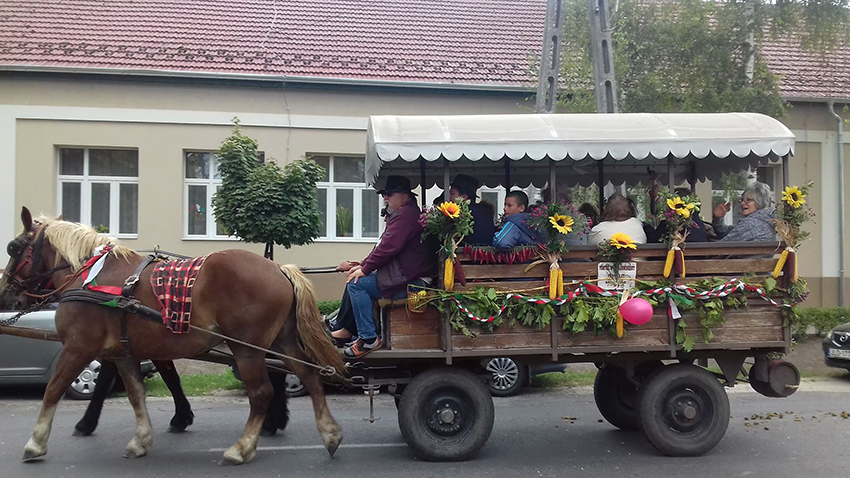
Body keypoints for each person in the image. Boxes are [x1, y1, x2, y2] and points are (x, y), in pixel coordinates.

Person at [336, 176, 434, 358]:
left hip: (413, 281)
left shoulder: (406, 215)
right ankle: (344, 328)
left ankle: (368, 338)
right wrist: (362, 265)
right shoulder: (405, 213)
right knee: (356, 277)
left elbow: (389, 247)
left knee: (357, 284)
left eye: (389, 194)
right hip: (407, 275)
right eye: (384, 194)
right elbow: (383, 247)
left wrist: (364, 269)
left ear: (404, 196)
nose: (385, 198)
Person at [712, 182, 776, 242]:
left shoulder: (751, 224)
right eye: (742, 200)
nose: (742, 203)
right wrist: (718, 219)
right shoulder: (764, 221)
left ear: (760, 202)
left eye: (748, 200)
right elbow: (726, 233)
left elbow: (722, 246)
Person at [449, 174, 496, 245]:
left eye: (452, 193)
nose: (449, 198)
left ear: (464, 196)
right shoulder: (483, 211)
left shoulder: (462, 214)